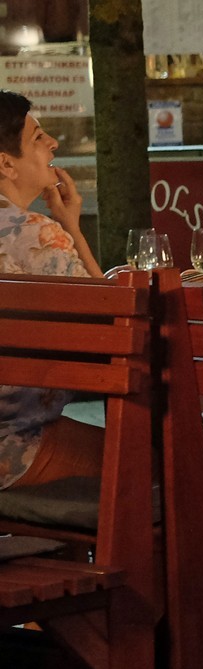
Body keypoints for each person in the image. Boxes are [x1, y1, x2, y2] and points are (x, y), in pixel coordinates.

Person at [0, 91, 103, 490]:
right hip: (14, 445)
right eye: (38, 137)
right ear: (6, 164)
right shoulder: (39, 236)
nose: (53, 143)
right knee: (155, 459)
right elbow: (113, 322)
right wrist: (71, 229)